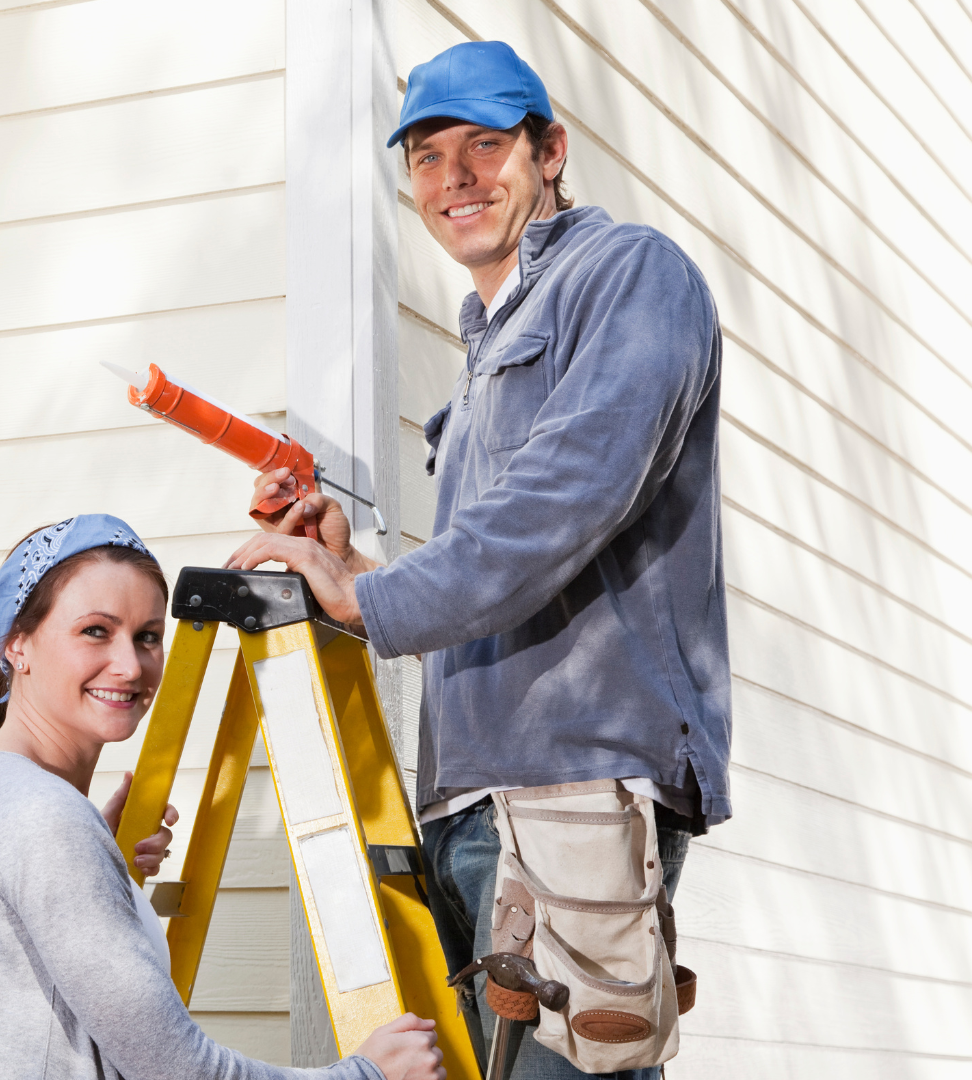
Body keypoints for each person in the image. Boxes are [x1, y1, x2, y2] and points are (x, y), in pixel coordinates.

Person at [224, 41, 726, 1080]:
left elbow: (567, 499)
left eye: (485, 145)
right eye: (426, 156)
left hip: (571, 790)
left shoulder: (630, 277)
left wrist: (374, 600)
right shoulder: (492, 340)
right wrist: (351, 564)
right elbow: (490, 557)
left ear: (552, 151)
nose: (454, 177)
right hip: (472, 804)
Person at [0, 515, 447, 1080]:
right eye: (95, 630)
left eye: (147, 637)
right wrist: (370, 1075)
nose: (129, 664)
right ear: (18, 644)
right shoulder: (40, 816)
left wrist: (98, 855)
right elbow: (178, 1072)